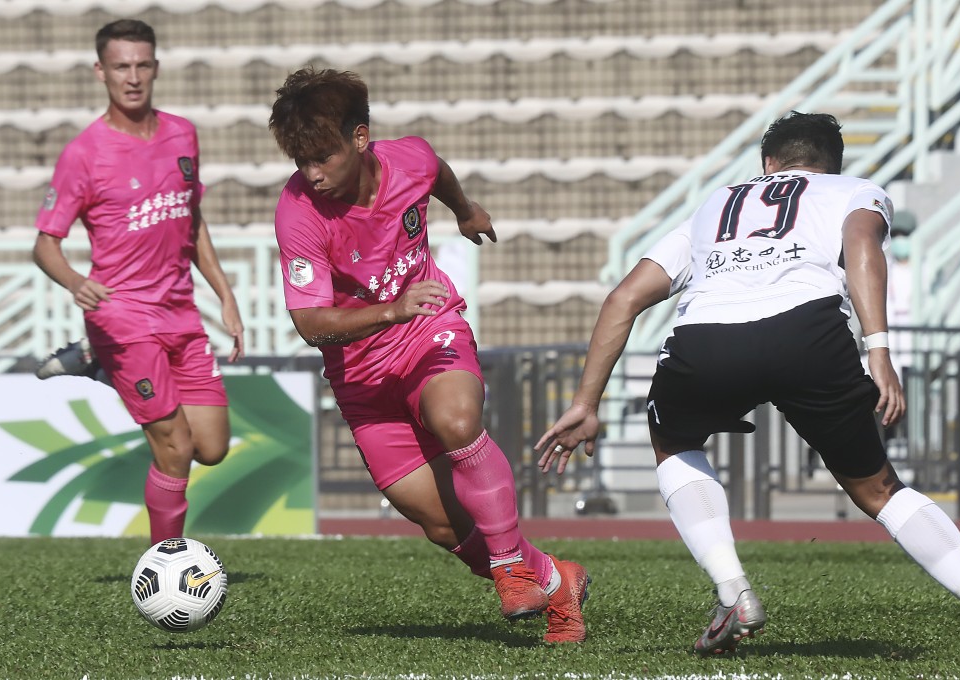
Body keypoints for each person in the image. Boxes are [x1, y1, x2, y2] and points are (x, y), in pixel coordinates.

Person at [536, 112, 960, 661]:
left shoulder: (714, 204)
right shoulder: (851, 190)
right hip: (808, 333)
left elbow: (623, 298)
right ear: (833, 164)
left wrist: (586, 402)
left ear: (768, 162)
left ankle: (733, 592)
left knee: (674, 443)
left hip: (708, 338)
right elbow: (863, 246)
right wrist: (879, 351)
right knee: (880, 491)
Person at [267, 68, 589, 643]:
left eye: (322, 157)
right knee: (444, 526)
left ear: (360, 138)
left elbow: (435, 170)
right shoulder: (298, 211)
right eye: (301, 161)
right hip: (362, 378)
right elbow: (310, 324)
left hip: (428, 329)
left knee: (456, 421)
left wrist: (465, 210)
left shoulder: (408, 159)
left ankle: (513, 569)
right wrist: (390, 309)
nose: (311, 174)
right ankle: (556, 580)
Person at [32, 19, 245, 545]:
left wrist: (225, 295)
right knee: (175, 446)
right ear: (100, 71)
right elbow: (45, 245)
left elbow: (191, 220)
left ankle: (98, 366)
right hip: (121, 314)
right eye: (121, 66)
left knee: (211, 447)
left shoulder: (182, 134)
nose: (132, 77)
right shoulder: (84, 153)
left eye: (142, 65)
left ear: (156, 68)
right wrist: (75, 281)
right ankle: (163, 564)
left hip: (180, 311)